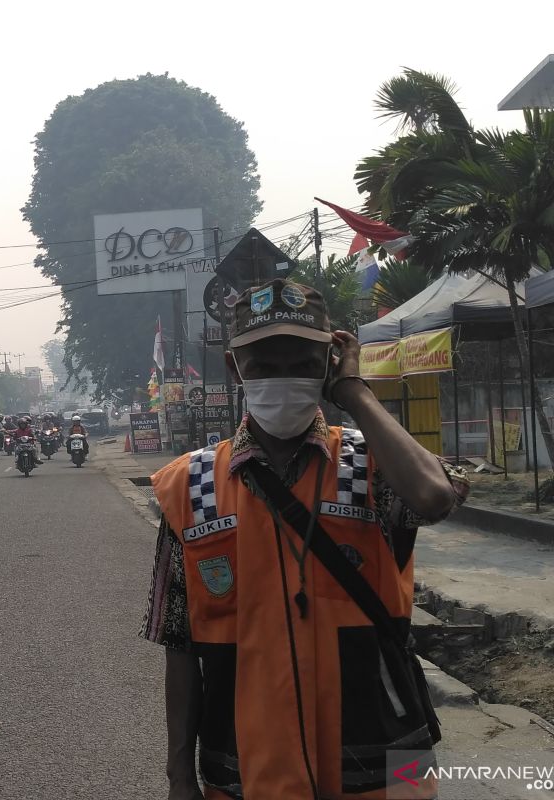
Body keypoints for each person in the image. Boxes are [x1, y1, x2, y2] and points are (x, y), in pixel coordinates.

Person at [141, 279, 469, 800]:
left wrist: (355, 394)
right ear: (235, 368)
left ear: (329, 364)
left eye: (302, 361)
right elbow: (179, 649)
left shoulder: (374, 463)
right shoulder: (189, 485)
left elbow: (433, 498)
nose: (283, 377)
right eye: (263, 364)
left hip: (390, 760)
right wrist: (180, 778)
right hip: (246, 769)